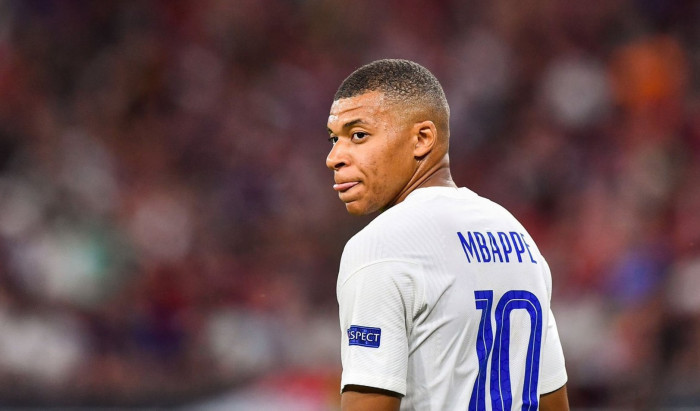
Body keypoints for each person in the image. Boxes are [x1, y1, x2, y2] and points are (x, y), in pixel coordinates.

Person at [326, 59, 569, 411]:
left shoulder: (379, 247)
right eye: (334, 139)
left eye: (358, 135)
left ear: (422, 139)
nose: (334, 157)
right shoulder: (517, 237)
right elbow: (554, 403)